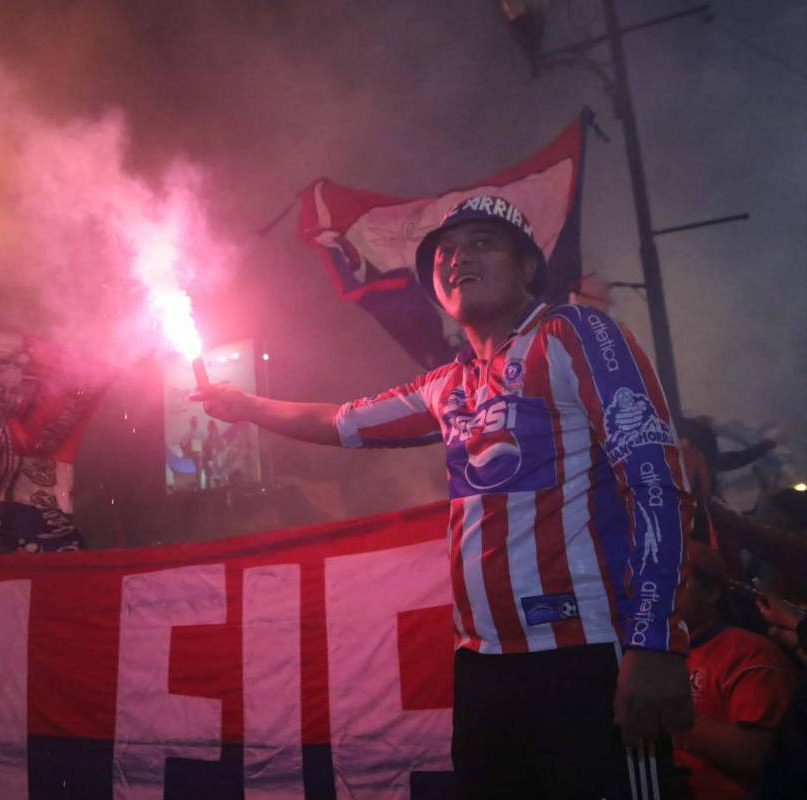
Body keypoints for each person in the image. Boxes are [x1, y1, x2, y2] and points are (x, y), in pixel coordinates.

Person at [195, 195, 695, 798]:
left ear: (528, 268)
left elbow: (655, 480)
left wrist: (655, 640)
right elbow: (342, 421)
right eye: (444, 254)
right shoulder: (448, 384)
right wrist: (244, 407)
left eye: (482, 243)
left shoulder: (576, 334)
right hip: (481, 669)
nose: (458, 259)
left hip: (587, 654)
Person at [674, 543, 796, 798]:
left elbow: (754, 755)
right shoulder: (647, 655)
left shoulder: (750, 653)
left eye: (677, 582)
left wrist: (661, 714)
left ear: (711, 592)